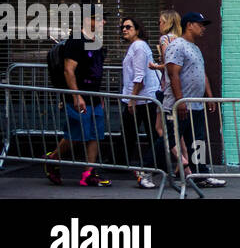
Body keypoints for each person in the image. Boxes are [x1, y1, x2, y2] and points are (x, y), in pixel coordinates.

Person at [44, 12, 110, 187]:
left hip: (94, 97)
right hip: (78, 97)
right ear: (88, 19)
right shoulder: (76, 40)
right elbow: (68, 70)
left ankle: (89, 172)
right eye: (100, 18)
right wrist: (76, 95)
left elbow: (95, 70)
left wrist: (99, 94)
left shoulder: (97, 41)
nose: (104, 21)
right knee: (76, 135)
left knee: (95, 134)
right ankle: (52, 159)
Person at [162, 11, 225, 188]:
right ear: (189, 25)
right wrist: (179, 101)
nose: (203, 28)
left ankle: (201, 175)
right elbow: (173, 74)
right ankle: (145, 171)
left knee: (198, 140)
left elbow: (201, 74)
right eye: (200, 24)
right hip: (179, 105)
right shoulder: (177, 46)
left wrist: (209, 97)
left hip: (196, 105)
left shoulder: (195, 48)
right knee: (169, 140)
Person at [120, 16, 164, 188]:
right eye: (123, 27)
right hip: (143, 98)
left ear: (137, 30)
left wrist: (132, 100)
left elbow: (140, 77)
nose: (124, 29)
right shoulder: (137, 46)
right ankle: (155, 164)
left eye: (128, 27)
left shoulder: (138, 46)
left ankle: (154, 165)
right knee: (135, 132)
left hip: (143, 99)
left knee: (144, 132)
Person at [154, 9, 186, 170]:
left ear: (167, 22)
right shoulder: (181, 40)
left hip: (167, 90)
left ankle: (181, 159)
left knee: (160, 128)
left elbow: (169, 64)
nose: (159, 25)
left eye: (160, 21)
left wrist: (155, 66)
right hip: (180, 89)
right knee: (178, 134)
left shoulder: (165, 39)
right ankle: (185, 168)